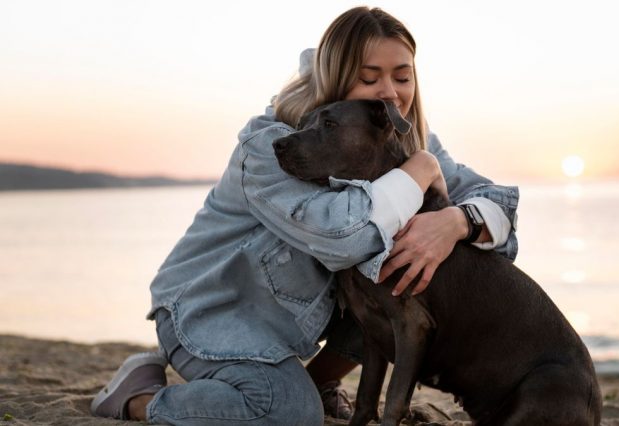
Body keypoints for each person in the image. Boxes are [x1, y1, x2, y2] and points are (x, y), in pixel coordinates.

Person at [91, 6, 518, 425]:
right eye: (369, 78)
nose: (390, 91)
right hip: (213, 312)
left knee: (400, 280)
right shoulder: (271, 145)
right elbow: (345, 238)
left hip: (296, 317)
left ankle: (318, 382)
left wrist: (457, 223)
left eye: (402, 76)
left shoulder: (399, 133)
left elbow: (497, 203)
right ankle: (138, 399)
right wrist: (419, 172)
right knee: (286, 411)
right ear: (334, 75)